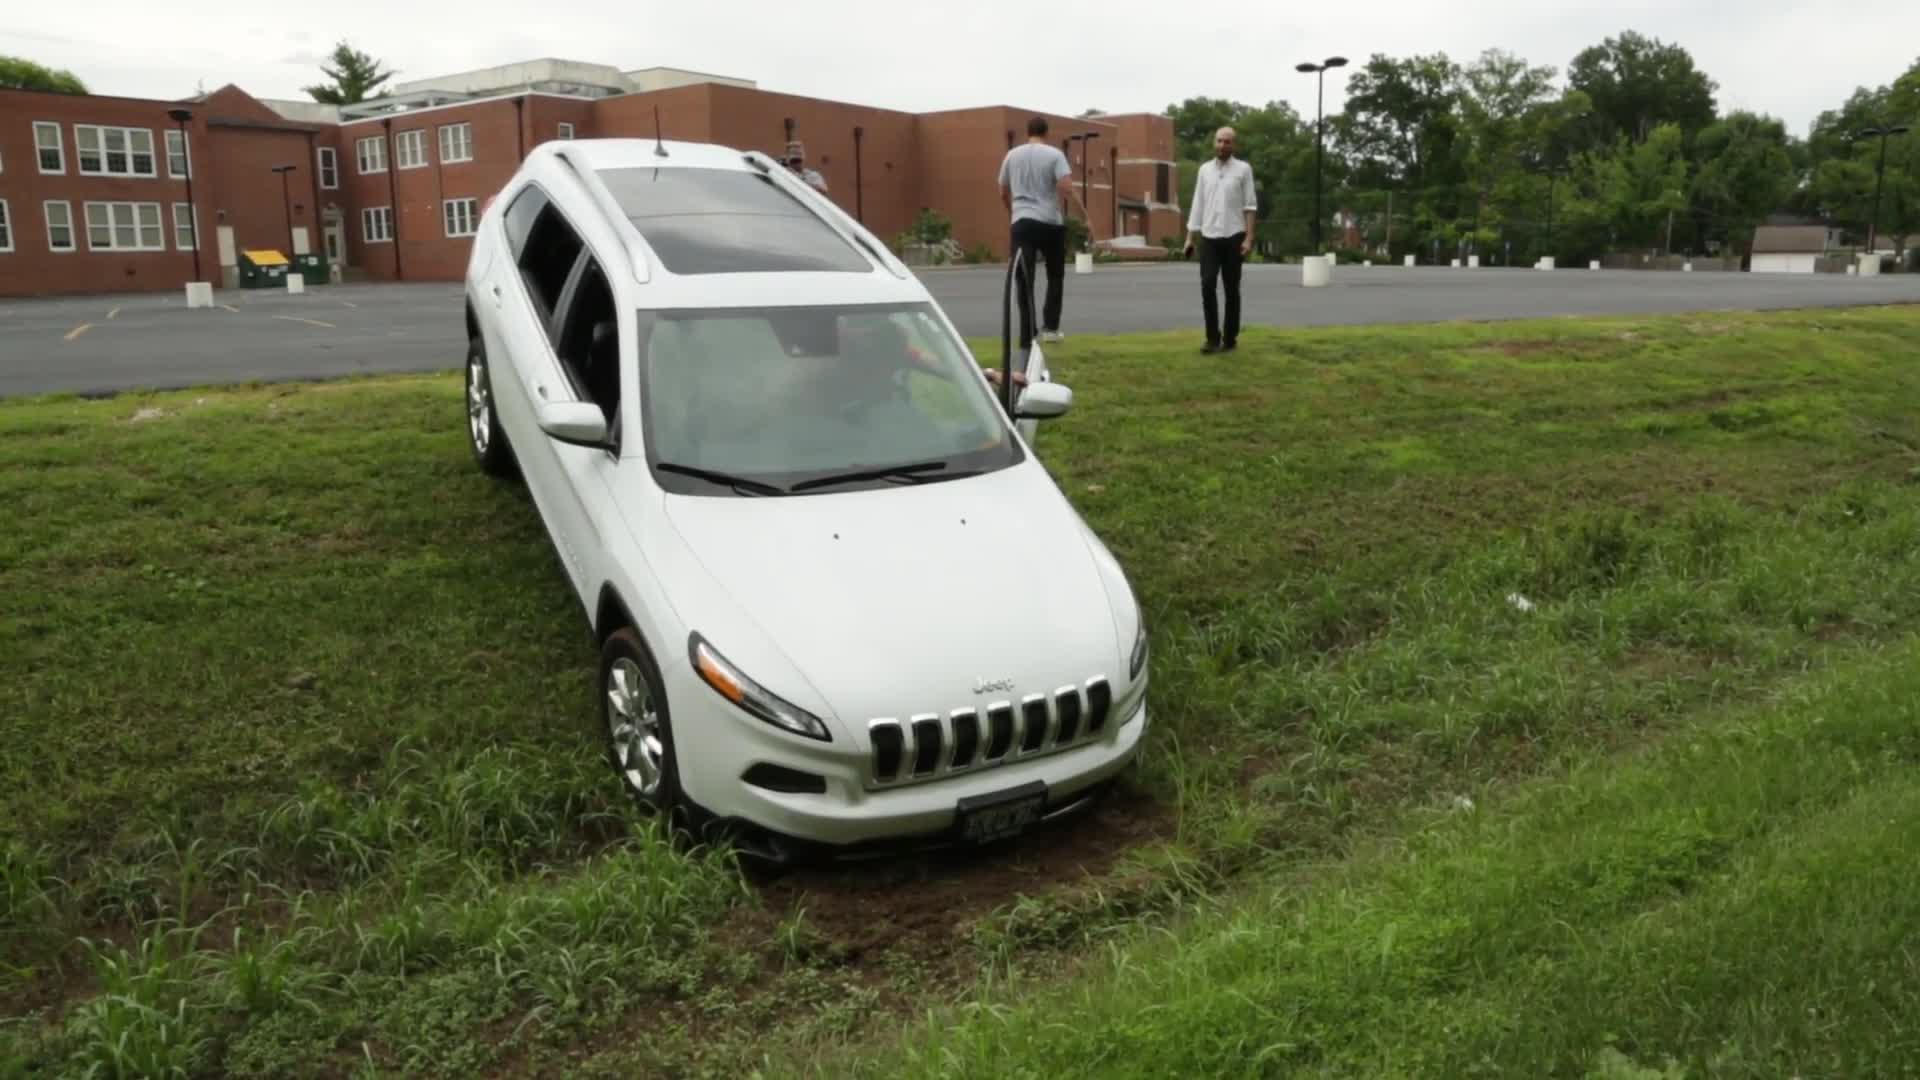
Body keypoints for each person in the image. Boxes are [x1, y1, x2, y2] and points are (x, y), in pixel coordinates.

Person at [997, 116, 1086, 348]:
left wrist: (1013, 212)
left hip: (1022, 221)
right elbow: (1066, 187)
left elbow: (1002, 191)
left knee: (1024, 278)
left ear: (1028, 132)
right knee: (1055, 275)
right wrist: (1084, 216)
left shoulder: (1011, 155)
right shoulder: (1055, 155)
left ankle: (1026, 334)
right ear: (1047, 132)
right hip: (1050, 221)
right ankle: (1051, 329)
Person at [1183, 126, 1258, 353]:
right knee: (1207, 285)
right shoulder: (1204, 170)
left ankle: (1230, 339)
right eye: (1219, 141)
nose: (1222, 145)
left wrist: (1249, 237)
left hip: (1234, 235)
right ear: (1213, 143)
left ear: (1233, 145)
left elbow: (1250, 206)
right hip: (1209, 236)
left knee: (1231, 289)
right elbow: (1198, 205)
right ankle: (1212, 339)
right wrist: (1189, 238)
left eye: (1227, 142)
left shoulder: (1243, 169)